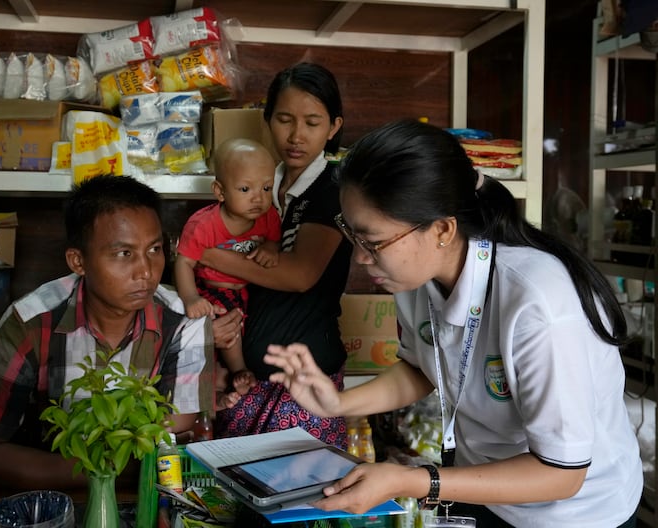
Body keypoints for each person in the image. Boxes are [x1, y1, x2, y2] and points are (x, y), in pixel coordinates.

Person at [264, 119, 642, 528]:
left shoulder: (539, 304)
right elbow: (423, 369)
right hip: (486, 491)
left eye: (372, 242)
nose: (360, 258)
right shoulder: (413, 277)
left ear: (442, 229)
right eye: (353, 236)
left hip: (576, 513)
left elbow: (561, 473)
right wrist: (337, 404)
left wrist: (412, 481)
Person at [0, 175, 216, 491]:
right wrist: (113, 472)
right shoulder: (30, 322)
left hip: (144, 502)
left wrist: (79, 465)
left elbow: (176, 439)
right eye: (124, 253)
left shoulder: (184, 321)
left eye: (155, 249)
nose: (146, 271)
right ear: (78, 261)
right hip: (53, 503)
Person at [197, 62, 353, 448]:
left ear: (334, 127)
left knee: (302, 500)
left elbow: (299, 274)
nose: (296, 135)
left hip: (305, 385)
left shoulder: (331, 189)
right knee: (234, 499)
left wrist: (208, 254)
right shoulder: (260, 186)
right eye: (284, 120)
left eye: (313, 123)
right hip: (245, 384)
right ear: (267, 120)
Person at [175, 138, 281, 403]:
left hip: (243, 290)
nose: (259, 197)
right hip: (208, 289)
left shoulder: (268, 217)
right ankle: (239, 372)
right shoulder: (203, 225)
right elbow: (184, 262)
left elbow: (273, 239)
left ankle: (225, 384)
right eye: (245, 189)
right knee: (227, 330)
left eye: (267, 187)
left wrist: (270, 247)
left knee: (242, 329)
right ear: (220, 191)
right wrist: (191, 298)